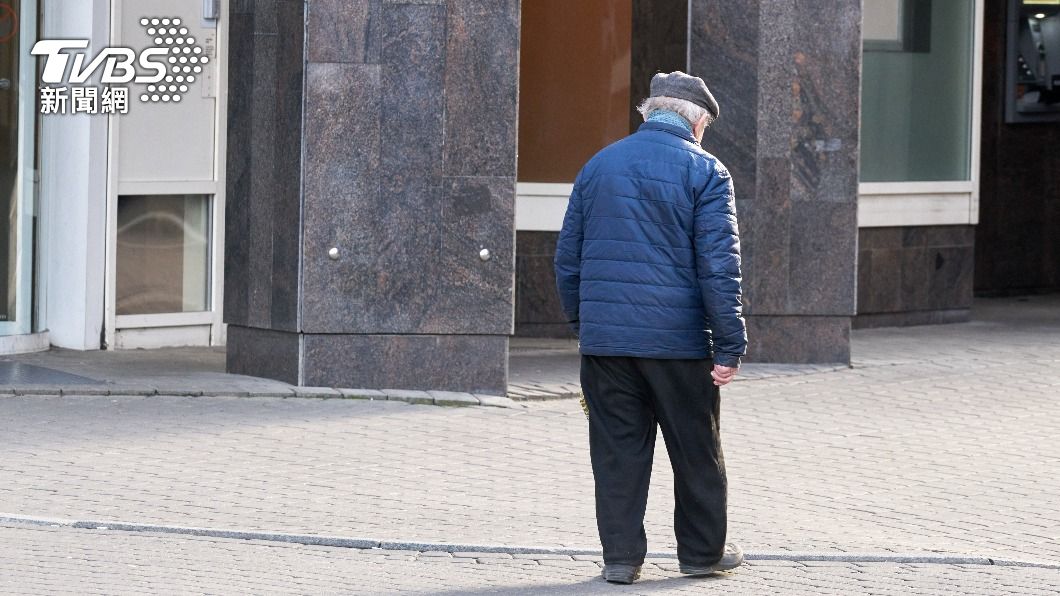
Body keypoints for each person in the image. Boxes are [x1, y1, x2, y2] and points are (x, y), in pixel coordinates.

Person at [554, 71, 747, 585]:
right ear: (697, 120)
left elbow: (567, 258)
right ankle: (703, 555)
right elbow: (719, 269)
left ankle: (620, 559)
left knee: (617, 452)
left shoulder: (598, 166)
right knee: (696, 450)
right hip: (679, 346)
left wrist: (585, 322)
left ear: (648, 114)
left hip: (607, 345)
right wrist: (728, 345)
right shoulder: (707, 171)